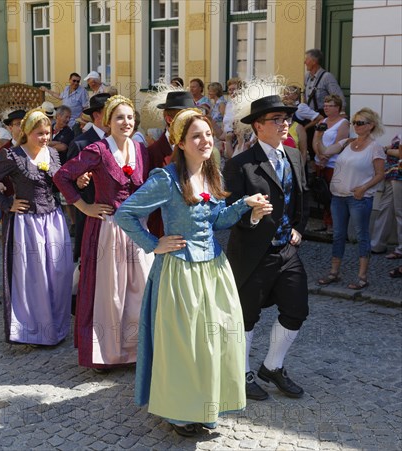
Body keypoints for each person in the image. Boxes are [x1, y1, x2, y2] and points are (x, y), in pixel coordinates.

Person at [115, 109, 272, 436]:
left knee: (211, 342)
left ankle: (204, 404)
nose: (205, 141)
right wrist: (152, 243)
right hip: (180, 272)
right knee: (183, 345)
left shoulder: (212, 174)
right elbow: (125, 213)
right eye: (196, 136)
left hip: (213, 270)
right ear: (181, 142)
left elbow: (218, 221)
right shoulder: (166, 178)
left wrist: (247, 205)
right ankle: (179, 412)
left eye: (208, 135)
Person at [54, 95, 153, 371]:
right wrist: (84, 207)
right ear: (107, 121)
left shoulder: (140, 149)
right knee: (110, 293)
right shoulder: (98, 149)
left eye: (130, 117)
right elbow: (62, 176)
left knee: (139, 290)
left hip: (136, 231)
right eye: (120, 117)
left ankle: (134, 350)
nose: (126, 122)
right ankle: (106, 352)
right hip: (108, 229)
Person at [223, 93, 310, 401]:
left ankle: (272, 366)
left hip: (286, 250)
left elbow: (302, 196)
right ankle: (241, 371)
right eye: (277, 119)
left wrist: (299, 227)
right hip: (251, 253)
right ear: (258, 126)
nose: (285, 123)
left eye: (287, 118)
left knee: (297, 309)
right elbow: (228, 211)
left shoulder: (294, 157)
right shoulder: (241, 165)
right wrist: (253, 218)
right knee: (246, 316)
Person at [0, 109, 72, 346]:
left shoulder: (51, 153)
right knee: (34, 277)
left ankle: (56, 327)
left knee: (57, 274)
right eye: (39, 133)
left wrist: (78, 182)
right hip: (27, 223)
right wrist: (7, 203)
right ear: (27, 132)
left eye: (48, 132)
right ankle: (34, 330)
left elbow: (59, 183)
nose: (44, 137)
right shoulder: (12, 156)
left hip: (53, 220)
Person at [317, 108, 386, 290]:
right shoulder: (347, 142)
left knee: (361, 236)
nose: (356, 126)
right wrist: (318, 134)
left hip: (359, 198)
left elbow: (380, 174)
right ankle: (334, 272)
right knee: (338, 235)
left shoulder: (375, 148)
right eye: (355, 122)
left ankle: (362, 277)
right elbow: (323, 151)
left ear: (371, 126)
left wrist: (363, 188)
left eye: (360, 123)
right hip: (338, 197)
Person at [66, 93, 111, 262]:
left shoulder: (119, 141)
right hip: (90, 212)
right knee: (89, 260)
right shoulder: (81, 143)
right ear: (97, 115)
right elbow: (66, 181)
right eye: (110, 112)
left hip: (115, 213)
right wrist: (79, 184)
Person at [146, 91, 196, 237]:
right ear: (169, 119)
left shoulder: (199, 146)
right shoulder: (152, 152)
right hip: (163, 230)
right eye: (186, 118)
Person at [311, 95, 350, 232]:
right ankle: (325, 222)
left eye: (330, 105)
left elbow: (339, 142)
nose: (326, 107)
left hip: (333, 164)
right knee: (322, 193)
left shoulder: (343, 123)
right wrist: (319, 155)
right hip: (320, 162)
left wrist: (326, 157)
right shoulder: (323, 121)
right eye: (325, 105)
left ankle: (334, 225)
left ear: (338, 107)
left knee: (332, 195)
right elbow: (316, 140)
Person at [371, 134, 402, 259]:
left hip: (399, 174)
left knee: (400, 212)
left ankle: (400, 249)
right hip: (392, 173)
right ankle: (377, 245)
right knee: (385, 207)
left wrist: (386, 150)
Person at [304, 49, 346, 116]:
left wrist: (340, 117)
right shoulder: (307, 76)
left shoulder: (327, 77)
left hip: (323, 117)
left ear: (314, 61)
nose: (304, 62)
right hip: (310, 117)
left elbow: (339, 99)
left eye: (306, 59)